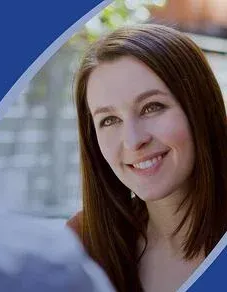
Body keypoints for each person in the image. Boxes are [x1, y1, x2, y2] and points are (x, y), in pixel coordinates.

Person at [68, 23, 227, 292]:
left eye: (152, 107)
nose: (133, 140)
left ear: (200, 108)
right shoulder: (82, 242)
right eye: (109, 120)